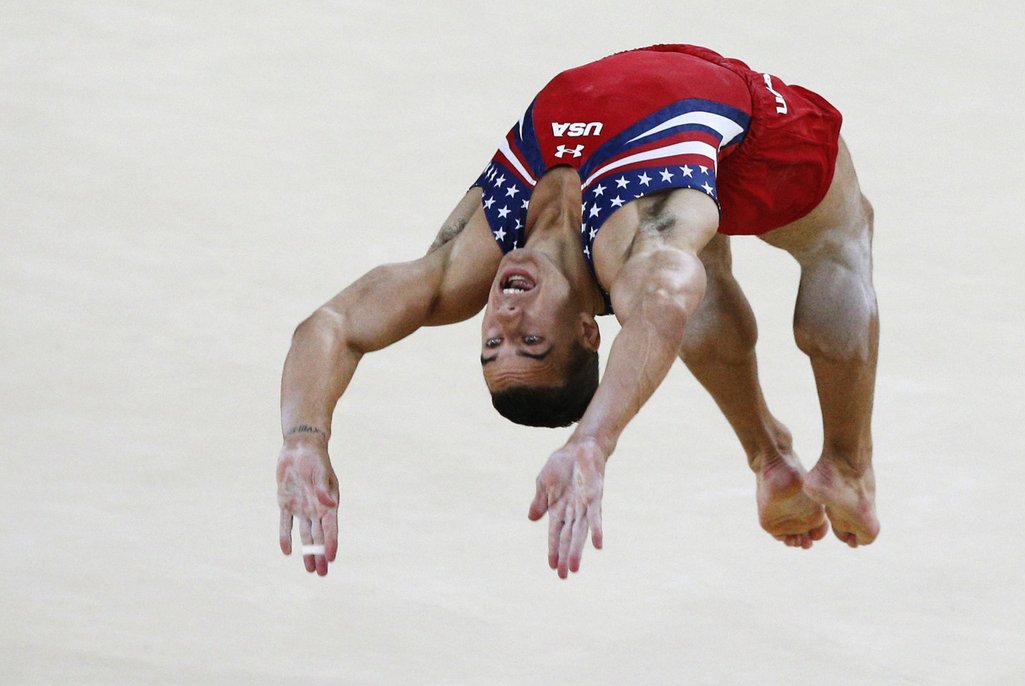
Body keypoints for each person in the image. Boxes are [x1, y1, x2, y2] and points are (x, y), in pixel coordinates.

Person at [276, 44, 879, 578]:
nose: (505, 320)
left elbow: (332, 326)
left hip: (672, 117)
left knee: (693, 268)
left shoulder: (465, 265)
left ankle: (769, 459)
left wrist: (304, 440)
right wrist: (592, 443)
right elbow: (665, 300)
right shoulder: (634, 248)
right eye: (530, 342)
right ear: (589, 331)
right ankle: (847, 464)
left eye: (491, 345)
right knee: (840, 241)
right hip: (756, 136)